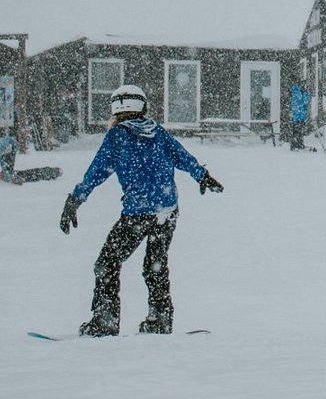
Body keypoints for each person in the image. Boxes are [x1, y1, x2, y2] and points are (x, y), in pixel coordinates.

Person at [58, 84, 223, 336]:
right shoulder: (158, 132)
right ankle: (159, 321)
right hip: (167, 211)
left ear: (116, 109)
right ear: (142, 106)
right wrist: (202, 175)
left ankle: (105, 322)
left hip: (138, 212)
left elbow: (97, 171)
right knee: (155, 264)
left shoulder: (117, 136)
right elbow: (182, 156)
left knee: (107, 263)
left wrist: (75, 199)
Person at [289, 81, 312, 151]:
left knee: (300, 131)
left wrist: (306, 93)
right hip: (297, 115)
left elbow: (307, 99)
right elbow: (303, 100)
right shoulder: (296, 92)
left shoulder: (301, 92)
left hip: (302, 115)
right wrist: (305, 93)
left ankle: (299, 144)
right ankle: (294, 145)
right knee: (296, 131)